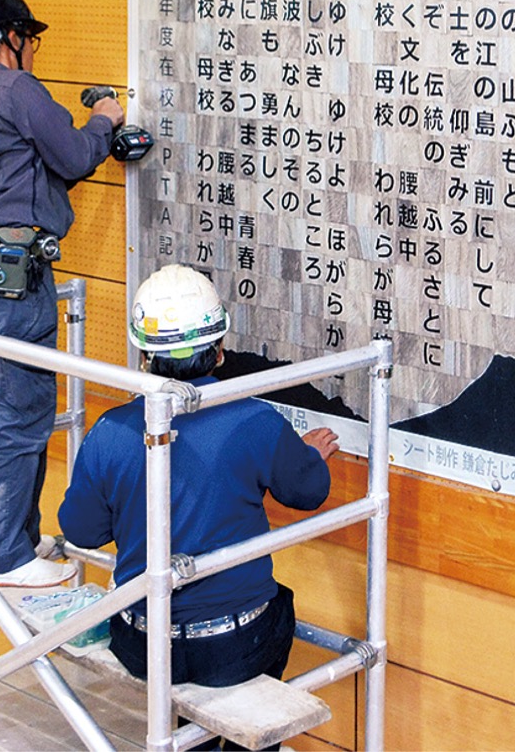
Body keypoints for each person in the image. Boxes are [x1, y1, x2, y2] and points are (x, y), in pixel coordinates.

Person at [58, 265, 339, 703]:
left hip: (141, 642)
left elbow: (81, 531)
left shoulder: (110, 430)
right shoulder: (253, 419)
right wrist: (311, 457)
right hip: (234, 645)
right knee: (278, 607)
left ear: (144, 355)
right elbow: (308, 492)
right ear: (220, 349)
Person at [0, 0, 124, 587]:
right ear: (12, 38)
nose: (34, 50)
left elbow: (18, 176)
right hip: (9, 275)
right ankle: (5, 557)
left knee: (22, 409)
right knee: (16, 416)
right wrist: (105, 119)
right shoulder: (16, 89)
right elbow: (74, 155)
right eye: (31, 39)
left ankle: (19, 539)